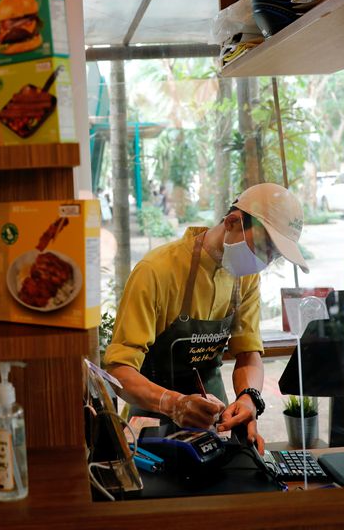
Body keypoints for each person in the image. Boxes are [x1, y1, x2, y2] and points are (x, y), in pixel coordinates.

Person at [103, 183, 309, 451]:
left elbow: (248, 353)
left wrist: (248, 398)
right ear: (233, 221)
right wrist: (174, 404)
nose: (265, 261)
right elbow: (118, 370)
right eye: (262, 246)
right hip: (151, 425)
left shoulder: (245, 279)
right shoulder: (156, 271)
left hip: (215, 423)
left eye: (274, 255)